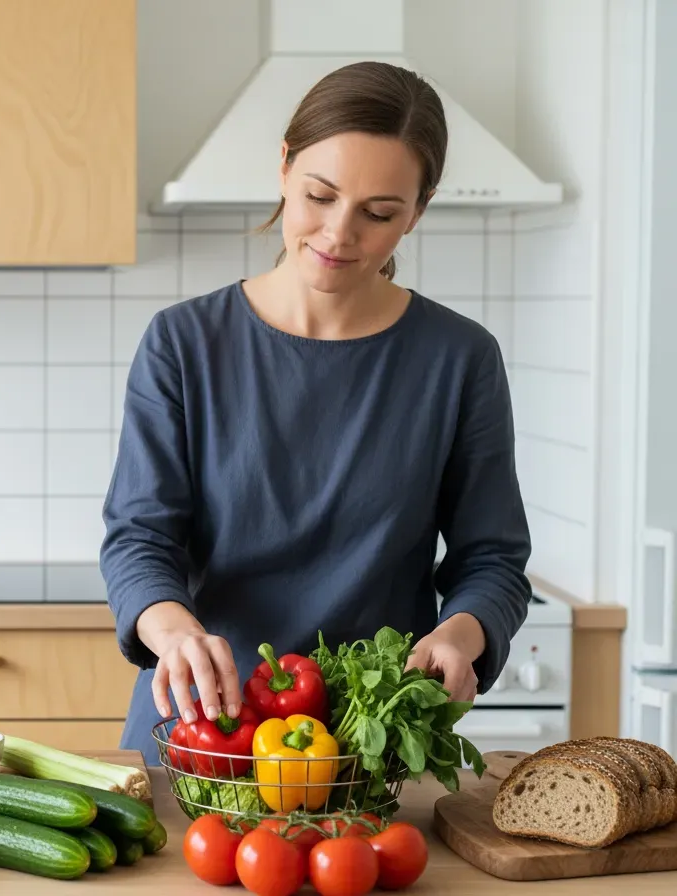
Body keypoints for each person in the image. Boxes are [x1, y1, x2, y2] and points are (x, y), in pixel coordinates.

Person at [101, 61, 532, 764]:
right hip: (206, 729)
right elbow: (138, 539)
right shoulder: (183, 344)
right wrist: (172, 630)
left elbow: (493, 558)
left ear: (417, 212)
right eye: (320, 195)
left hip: (372, 745)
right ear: (283, 167)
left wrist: (463, 632)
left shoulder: (459, 359)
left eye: (379, 212)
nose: (339, 233)